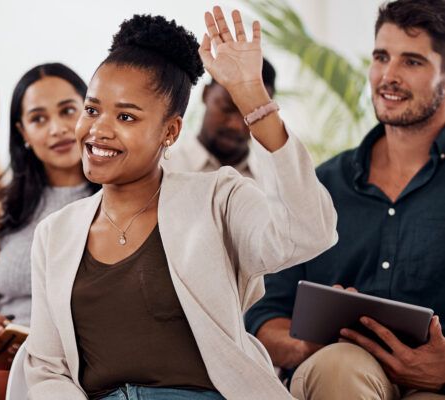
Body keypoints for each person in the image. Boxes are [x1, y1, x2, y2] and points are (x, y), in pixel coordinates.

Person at [24, 8, 337, 400]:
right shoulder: (55, 233)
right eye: (92, 109)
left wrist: (252, 97)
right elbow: (47, 368)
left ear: (169, 131)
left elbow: (309, 232)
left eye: (125, 116)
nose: (98, 129)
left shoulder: (218, 198)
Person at [245, 0, 445, 398]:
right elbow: (265, 315)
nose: (388, 76)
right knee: (341, 364)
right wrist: (306, 345)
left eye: (412, 62)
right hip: (338, 378)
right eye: (381, 57)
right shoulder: (322, 186)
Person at [0, 63, 99, 399]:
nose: (57, 129)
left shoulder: (119, 201)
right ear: (23, 133)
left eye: (68, 111)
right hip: (16, 364)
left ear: (90, 113)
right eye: (38, 119)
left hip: (94, 364)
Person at [163, 58, 276, 179]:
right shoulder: (160, 170)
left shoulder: (273, 186)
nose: (236, 125)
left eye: (252, 114)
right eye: (227, 108)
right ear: (206, 93)